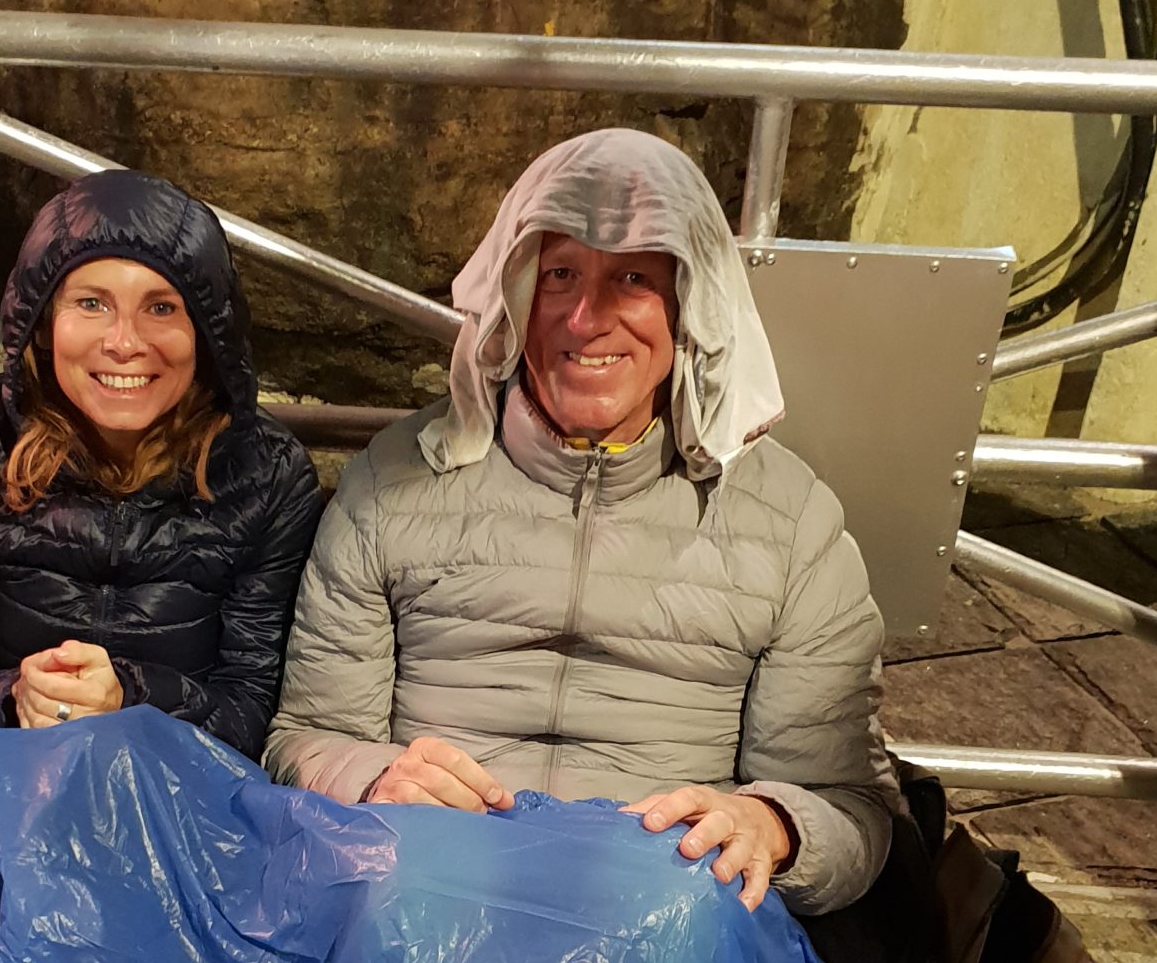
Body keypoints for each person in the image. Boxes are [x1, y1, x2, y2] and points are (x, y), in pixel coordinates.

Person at [265, 126, 895, 917]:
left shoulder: (791, 524)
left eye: (633, 278)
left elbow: (852, 810)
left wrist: (771, 825)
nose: (588, 319)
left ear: (692, 304)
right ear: (516, 296)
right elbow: (305, 734)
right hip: (429, 900)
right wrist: (373, 779)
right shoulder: (389, 486)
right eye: (560, 275)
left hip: (663, 920)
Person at [0, 167, 324, 754]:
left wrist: (130, 698)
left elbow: (251, 707)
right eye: (91, 303)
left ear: (207, 331)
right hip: (0, 760)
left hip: (176, 773)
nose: (123, 342)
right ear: (44, 323)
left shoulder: (267, 475)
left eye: (161, 308)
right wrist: (14, 698)